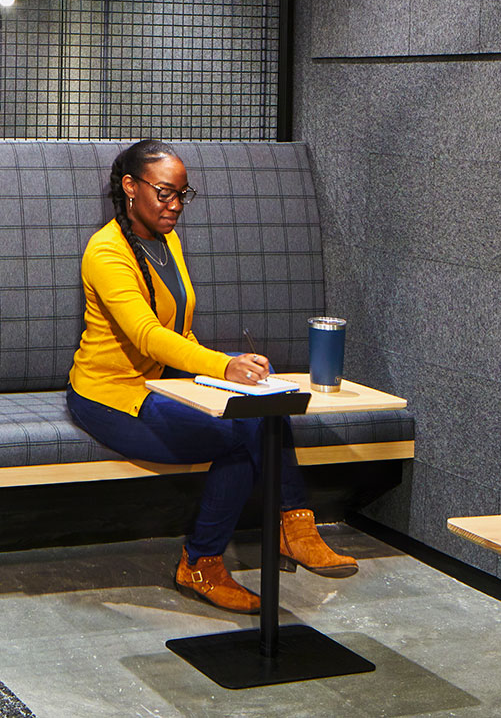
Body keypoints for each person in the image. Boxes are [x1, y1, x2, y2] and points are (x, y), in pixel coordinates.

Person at [66, 139, 357, 614]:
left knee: (264, 392)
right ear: (129, 187)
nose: (175, 205)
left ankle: (294, 526)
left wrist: (233, 366)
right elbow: (147, 336)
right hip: (112, 395)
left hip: (166, 379)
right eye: (164, 193)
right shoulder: (106, 252)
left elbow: (179, 331)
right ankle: (204, 562)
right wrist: (221, 366)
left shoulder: (168, 239)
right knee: (241, 436)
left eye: (183, 194)